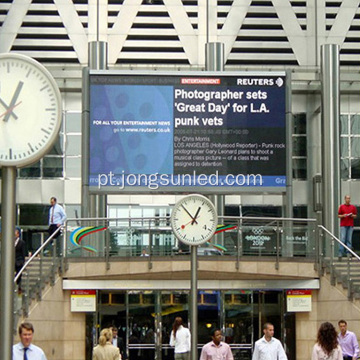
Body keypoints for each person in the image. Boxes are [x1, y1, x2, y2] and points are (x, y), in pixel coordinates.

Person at [14, 227, 26, 292]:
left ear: (18, 234)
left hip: (19, 261)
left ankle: (18, 287)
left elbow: (23, 253)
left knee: (18, 274)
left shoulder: (21, 243)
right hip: (13, 261)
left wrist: (22, 262)